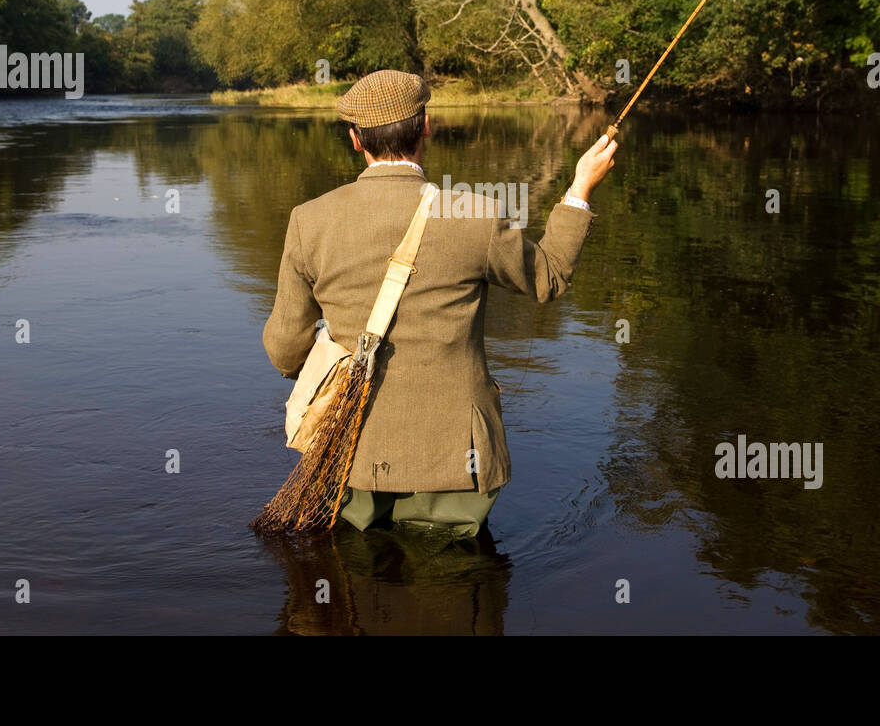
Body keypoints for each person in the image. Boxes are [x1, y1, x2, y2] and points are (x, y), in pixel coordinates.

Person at [262, 70, 617, 538]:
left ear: (354, 139)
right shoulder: (474, 213)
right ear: (425, 126)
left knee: (359, 573)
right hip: (457, 459)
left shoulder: (309, 221)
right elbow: (547, 278)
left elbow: (285, 348)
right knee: (450, 578)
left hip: (350, 448)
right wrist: (579, 190)